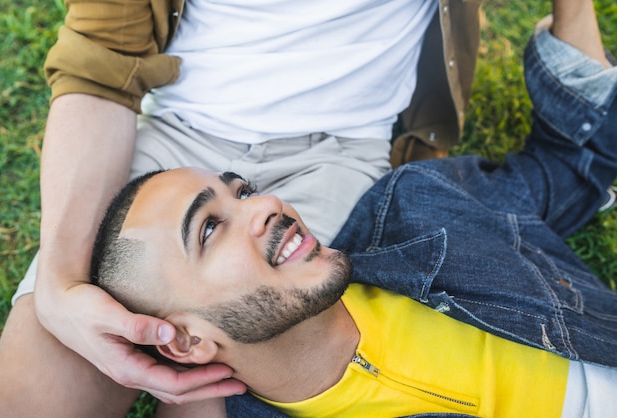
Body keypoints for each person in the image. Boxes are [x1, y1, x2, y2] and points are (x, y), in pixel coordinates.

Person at [89, 2, 617, 417]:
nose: (268, 204)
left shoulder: (420, 207)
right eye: (208, 231)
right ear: (186, 341)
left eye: (243, 191)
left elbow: (570, 169)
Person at [0, 0, 482, 416]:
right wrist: (58, 285)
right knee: (39, 392)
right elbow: (102, 56)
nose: (267, 205)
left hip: (343, 151)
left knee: (227, 384)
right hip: (179, 142)